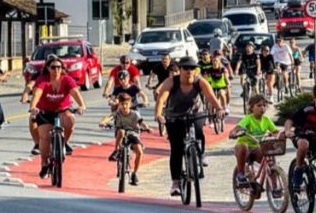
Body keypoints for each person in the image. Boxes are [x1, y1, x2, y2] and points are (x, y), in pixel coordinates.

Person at [155, 56, 225, 196]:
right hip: (174, 116)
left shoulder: (200, 82)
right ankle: (176, 182)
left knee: (199, 130)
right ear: (180, 70)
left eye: (192, 68)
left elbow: (210, 96)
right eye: (186, 68)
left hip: (195, 113)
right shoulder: (172, 81)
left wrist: (219, 109)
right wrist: (158, 114)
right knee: (176, 149)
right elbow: (162, 98)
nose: (189, 71)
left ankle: (201, 154)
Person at [29, 56, 86, 178]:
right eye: (53, 67)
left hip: (62, 110)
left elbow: (75, 92)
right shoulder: (43, 79)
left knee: (70, 119)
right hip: (45, 112)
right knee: (44, 137)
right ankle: (44, 163)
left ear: (62, 68)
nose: (56, 70)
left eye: (59, 67)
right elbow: (37, 93)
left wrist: (81, 105)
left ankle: (64, 143)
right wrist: (33, 107)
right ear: (48, 68)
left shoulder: (67, 80)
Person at [230, 93, 279, 185]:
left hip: (257, 148)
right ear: (252, 107)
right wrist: (233, 133)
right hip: (244, 148)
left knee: (269, 155)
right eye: (259, 105)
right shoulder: (248, 118)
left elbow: (276, 132)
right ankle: (240, 173)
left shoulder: (266, 120)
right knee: (243, 146)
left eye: (264, 105)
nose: (262, 108)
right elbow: (238, 127)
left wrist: (282, 134)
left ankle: (274, 184)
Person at [102, 93, 150, 186]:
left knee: (139, 152)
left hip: (133, 134)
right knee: (121, 131)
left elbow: (141, 122)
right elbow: (109, 117)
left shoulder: (134, 114)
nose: (124, 106)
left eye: (126, 104)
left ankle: (134, 174)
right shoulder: (117, 113)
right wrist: (103, 122)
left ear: (130, 104)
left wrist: (147, 127)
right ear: (119, 104)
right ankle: (116, 151)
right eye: (122, 104)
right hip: (121, 133)